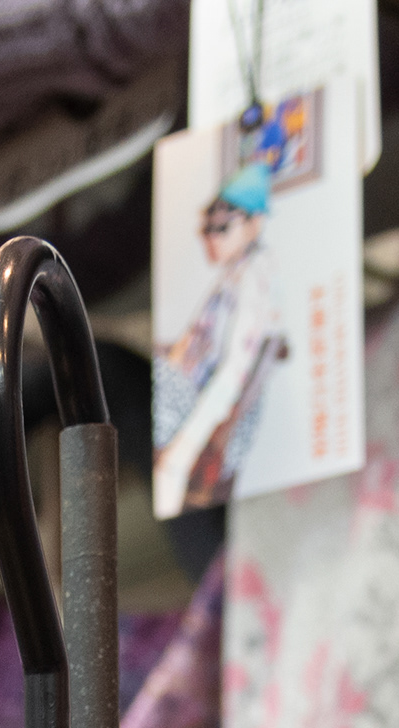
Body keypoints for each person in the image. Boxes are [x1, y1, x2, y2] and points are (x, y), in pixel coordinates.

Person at [154, 163, 286, 519]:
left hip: (214, 410)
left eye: (222, 228)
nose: (211, 238)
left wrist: (182, 451)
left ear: (254, 224)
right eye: (207, 228)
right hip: (196, 391)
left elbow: (233, 373)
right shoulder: (236, 271)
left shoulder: (256, 276)